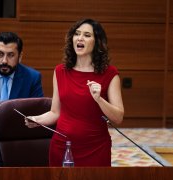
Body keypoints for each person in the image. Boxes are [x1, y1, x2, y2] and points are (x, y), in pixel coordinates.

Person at [25, 19, 124, 167]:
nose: (80, 38)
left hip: (96, 148)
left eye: (87, 35)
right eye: (77, 34)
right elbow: (55, 112)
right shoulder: (60, 71)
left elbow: (118, 117)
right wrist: (36, 119)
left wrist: (99, 100)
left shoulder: (110, 74)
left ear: (97, 42)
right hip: (62, 146)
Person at [0, 32, 44, 110]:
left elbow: (38, 112)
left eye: (10, 55)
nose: (4, 61)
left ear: (20, 57)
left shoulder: (32, 78)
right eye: (0, 54)